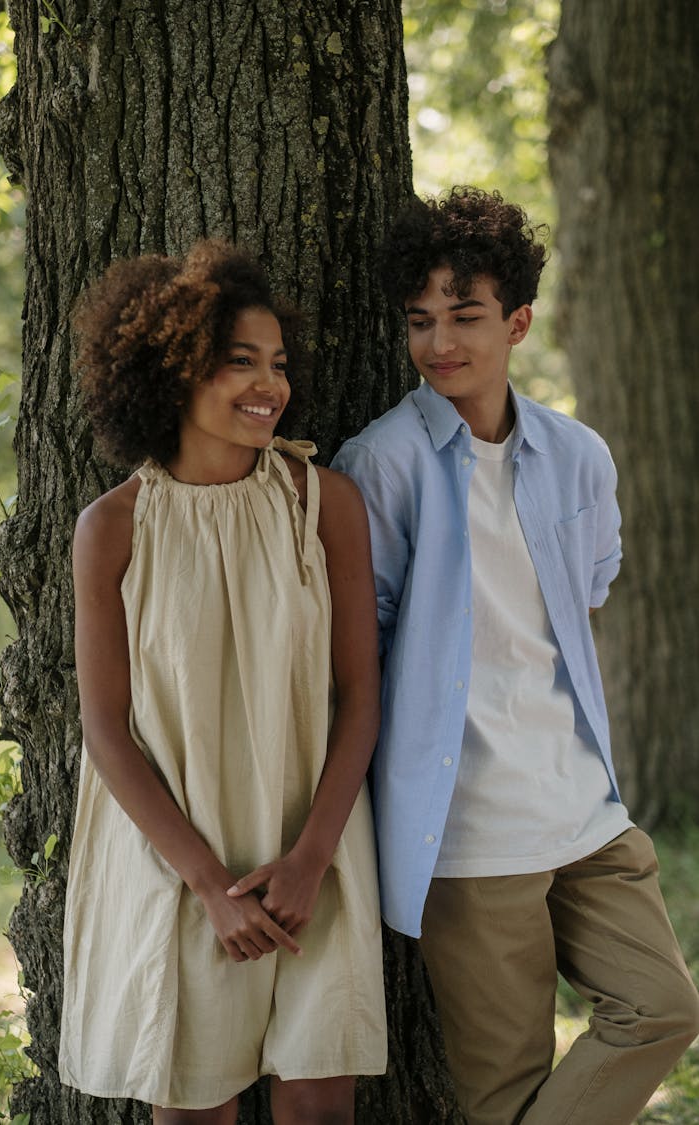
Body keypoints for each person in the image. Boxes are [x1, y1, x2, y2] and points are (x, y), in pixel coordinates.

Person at [332, 187, 699, 1125]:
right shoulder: (382, 464)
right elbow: (357, 643)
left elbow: (584, 599)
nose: (439, 341)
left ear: (519, 321)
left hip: (584, 807)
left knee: (662, 1008)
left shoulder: (579, 456)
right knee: (503, 1093)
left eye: (465, 315)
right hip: (469, 832)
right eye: (420, 320)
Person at [58, 240, 387, 1124]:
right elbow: (107, 728)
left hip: (312, 849)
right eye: (239, 361)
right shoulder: (114, 528)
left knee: (319, 1104)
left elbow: (361, 697)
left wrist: (313, 857)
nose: (267, 385)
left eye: (277, 364)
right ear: (174, 368)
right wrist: (206, 880)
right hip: (179, 859)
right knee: (193, 1106)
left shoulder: (326, 504)